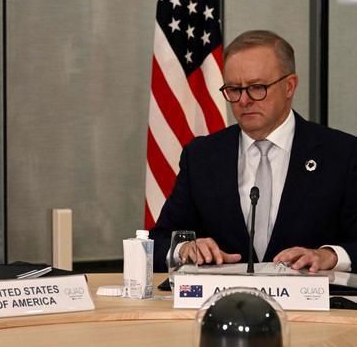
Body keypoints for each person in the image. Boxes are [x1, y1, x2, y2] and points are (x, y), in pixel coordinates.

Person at [149, 30, 357, 273]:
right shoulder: (202, 156)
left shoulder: (342, 154)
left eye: (257, 87)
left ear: (289, 86)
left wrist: (330, 255)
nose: (244, 100)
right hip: (223, 305)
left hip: (312, 307)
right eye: (234, 89)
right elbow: (157, 242)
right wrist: (183, 249)